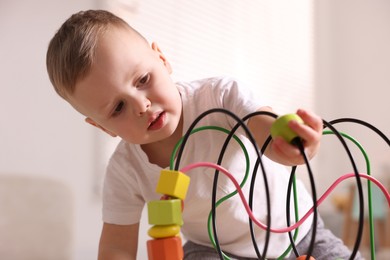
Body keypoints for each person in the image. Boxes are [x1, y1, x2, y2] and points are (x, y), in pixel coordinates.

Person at [46, 9, 360, 260]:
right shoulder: (125, 171)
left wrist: (293, 142)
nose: (141, 105)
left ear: (162, 59)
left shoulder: (221, 96)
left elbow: (268, 132)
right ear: (102, 127)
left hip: (299, 230)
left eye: (143, 79)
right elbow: (117, 247)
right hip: (212, 250)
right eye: (117, 109)